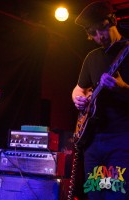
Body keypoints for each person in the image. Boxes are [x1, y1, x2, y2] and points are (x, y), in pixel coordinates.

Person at [72, 1, 129, 199]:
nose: (98, 38)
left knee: (114, 195)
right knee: (95, 195)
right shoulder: (92, 57)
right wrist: (78, 99)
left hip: (120, 142)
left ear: (111, 21)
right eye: (92, 34)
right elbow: (78, 89)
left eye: (100, 31)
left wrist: (123, 88)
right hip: (94, 143)